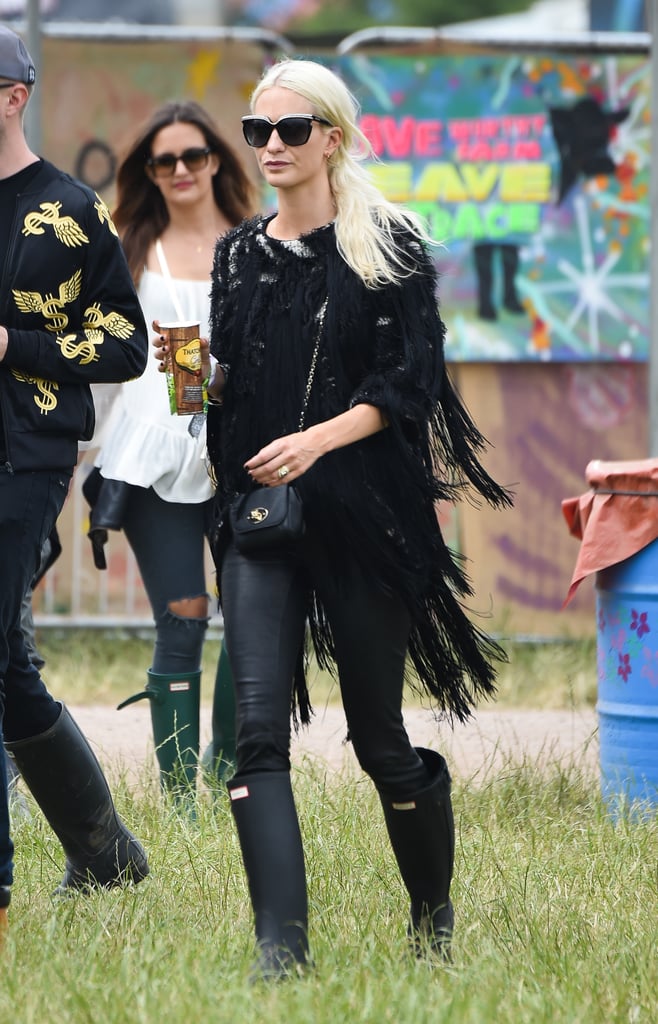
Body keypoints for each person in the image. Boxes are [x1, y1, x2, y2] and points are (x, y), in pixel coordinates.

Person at [195, 58, 513, 978]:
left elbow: (406, 386)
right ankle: (279, 954)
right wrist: (204, 383)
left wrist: (317, 441)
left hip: (366, 515)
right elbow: (237, 383)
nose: (273, 148)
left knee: (378, 740)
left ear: (333, 136)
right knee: (257, 732)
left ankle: (434, 922)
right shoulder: (237, 254)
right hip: (263, 519)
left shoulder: (391, 246)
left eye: (292, 130)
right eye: (258, 132)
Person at [0, 26, 150, 935]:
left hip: (24, 459)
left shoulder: (67, 208)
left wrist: (13, 346)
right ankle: (103, 851)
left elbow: (125, 342)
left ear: (13, 93)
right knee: (8, 668)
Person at [89, 101, 256, 807]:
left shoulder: (256, 244)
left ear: (216, 160)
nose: (182, 170)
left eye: (194, 156)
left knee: (251, 615)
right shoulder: (128, 245)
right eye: (165, 161)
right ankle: (181, 800)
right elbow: (112, 358)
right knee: (184, 615)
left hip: (243, 452)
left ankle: (225, 773)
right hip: (154, 455)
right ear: (150, 174)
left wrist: (210, 366)